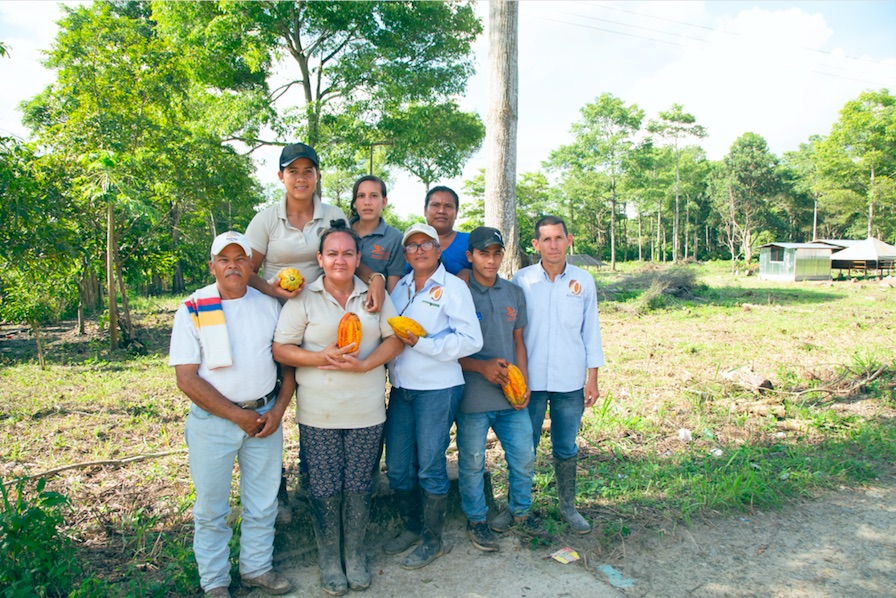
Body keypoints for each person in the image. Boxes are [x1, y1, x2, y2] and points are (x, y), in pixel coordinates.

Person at [272, 220, 404, 596]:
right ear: (320, 258)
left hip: (366, 409)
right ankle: (329, 559)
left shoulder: (372, 296)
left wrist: (366, 363)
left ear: (358, 257)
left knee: (360, 484)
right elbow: (281, 348)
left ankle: (355, 556)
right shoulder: (305, 298)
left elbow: (396, 338)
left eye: (348, 253)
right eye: (332, 253)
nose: (340, 260)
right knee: (326, 487)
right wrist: (319, 357)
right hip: (319, 411)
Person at [169, 231, 294, 597]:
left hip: (264, 417)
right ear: (212, 266)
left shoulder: (267, 304)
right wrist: (235, 415)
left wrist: (279, 409)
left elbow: (286, 363)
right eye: (224, 259)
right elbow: (187, 379)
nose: (233, 266)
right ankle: (215, 583)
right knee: (211, 509)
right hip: (214, 423)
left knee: (263, 501)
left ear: (250, 265)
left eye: (240, 259)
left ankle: (256, 568)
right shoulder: (193, 308)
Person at [383, 223, 483, 570]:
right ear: (406, 254)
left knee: (429, 467)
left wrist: (423, 343)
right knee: (397, 469)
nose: (419, 250)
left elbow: (472, 340)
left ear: (438, 249)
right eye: (412, 246)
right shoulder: (402, 289)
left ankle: (433, 539)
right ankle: (412, 527)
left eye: (426, 244)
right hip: (402, 389)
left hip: (438, 389)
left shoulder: (453, 287)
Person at [511, 215, 604, 535]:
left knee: (566, 446)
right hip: (531, 382)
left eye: (558, 238)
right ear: (535, 244)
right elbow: (513, 332)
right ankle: (519, 507)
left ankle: (567, 506)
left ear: (569, 240)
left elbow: (591, 330)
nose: (553, 245)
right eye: (546, 239)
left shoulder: (583, 281)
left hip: (569, 382)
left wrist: (592, 378)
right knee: (526, 446)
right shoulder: (521, 280)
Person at [456, 227, 545, 552]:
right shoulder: (460, 292)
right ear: (470, 256)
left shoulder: (513, 293)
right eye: (483, 253)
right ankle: (477, 520)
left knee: (523, 456)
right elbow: (449, 348)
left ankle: (519, 512)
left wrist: (524, 382)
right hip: (473, 396)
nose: (491, 260)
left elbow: (518, 341)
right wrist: (481, 367)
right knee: (473, 462)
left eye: (496, 253)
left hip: (511, 396)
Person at [349, 175, 405, 294]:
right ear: (354, 202)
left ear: (384, 202)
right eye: (361, 196)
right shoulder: (341, 232)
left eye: (374, 196)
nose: (367, 202)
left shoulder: (395, 238)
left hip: (373, 307)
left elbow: (393, 290)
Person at [421, 185, 472, 275]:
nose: (441, 211)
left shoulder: (470, 241)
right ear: (425, 210)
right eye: (435, 205)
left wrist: (469, 273)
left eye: (448, 206)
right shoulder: (410, 242)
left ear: (456, 212)